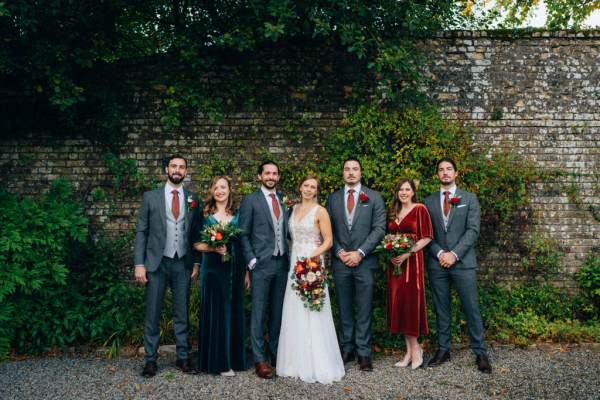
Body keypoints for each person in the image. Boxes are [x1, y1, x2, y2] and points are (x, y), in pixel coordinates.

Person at [133, 154, 202, 378]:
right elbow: (142, 232)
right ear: (166, 170)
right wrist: (139, 264)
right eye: (174, 166)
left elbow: (196, 233)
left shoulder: (193, 199)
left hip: (182, 262)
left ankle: (182, 357)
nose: (177, 170)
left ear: (185, 171)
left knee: (181, 312)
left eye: (181, 167)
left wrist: (196, 262)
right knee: (153, 313)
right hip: (156, 263)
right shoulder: (150, 197)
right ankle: (150, 360)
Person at [423, 157, 492, 374]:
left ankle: (480, 352)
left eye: (449, 169)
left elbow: (473, 231)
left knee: (471, 308)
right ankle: (443, 350)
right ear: (437, 175)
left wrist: (454, 254)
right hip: (437, 263)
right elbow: (426, 234)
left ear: (456, 173)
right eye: (441, 170)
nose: (445, 173)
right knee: (441, 308)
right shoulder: (428, 201)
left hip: (463, 263)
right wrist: (440, 253)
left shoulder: (469, 199)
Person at [277, 175, 345, 384]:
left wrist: (311, 257)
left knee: (312, 309)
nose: (308, 189)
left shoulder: (320, 211)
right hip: (293, 263)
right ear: (300, 187)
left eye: (312, 187)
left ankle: (317, 362)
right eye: (305, 185)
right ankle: (294, 362)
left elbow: (329, 241)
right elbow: (290, 237)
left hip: (311, 264)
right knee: (294, 308)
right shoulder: (293, 209)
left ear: (316, 191)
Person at [326, 157, 386, 371]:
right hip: (341, 262)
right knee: (343, 306)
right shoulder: (332, 199)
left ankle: (364, 352)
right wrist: (341, 252)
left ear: (361, 172)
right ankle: (347, 348)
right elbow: (327, 230)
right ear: (343, 173)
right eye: (347, 169)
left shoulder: (374, 197)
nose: (351, 172)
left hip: (365, 262)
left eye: (355, 169)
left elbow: (379, 228)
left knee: (364, 308)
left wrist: (360, 253)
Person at [239, 161, 289, 379]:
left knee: (278, 312)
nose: (271, 176)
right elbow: (243, 233)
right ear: (260, 176)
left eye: (274, 173)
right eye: (267, 173)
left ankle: (276, 353)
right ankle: (259, 359)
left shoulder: (283, 201)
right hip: (260, 264)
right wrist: (251, 261)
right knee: (259, 313)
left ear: (278, 177)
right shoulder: (251, 200)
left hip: (282, 264)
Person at [193, 176, 248, 376]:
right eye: (216, 187)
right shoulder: (204, 214)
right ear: (212, 191)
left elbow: (243, 244)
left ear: (229, 190)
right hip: (212, 270)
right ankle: (216, 362)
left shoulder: (238, 214)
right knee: (215, 312)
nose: (220, 191)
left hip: (234, 269)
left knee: (232, 312)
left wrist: (247, 271)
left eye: (223, 187)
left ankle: (232, 359)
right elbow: (195, 243)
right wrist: (213, 247)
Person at [386, 179, 433, 370]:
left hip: (412, 263)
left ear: (413, 192)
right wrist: (389, 252)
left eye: (407, 189)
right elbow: (389, 238)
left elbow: (427, 236)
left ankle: (416, 351)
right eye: (401, 190)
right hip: (395, 265)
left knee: (411, 304)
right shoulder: (394, 212)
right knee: (400, 305)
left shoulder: (420, 209)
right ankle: (409, 352)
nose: (404, 192)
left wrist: (407, 253)